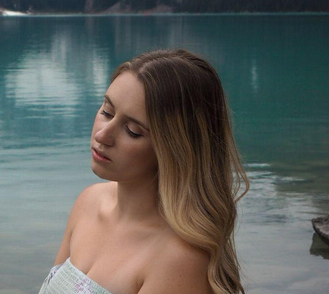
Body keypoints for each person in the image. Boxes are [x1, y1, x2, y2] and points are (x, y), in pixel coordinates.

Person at [39, 49, 249, 294]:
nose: (102, 135)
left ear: (175, 150)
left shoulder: (179, 260)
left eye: (132, 131)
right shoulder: (89, 202)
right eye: (107, 111)